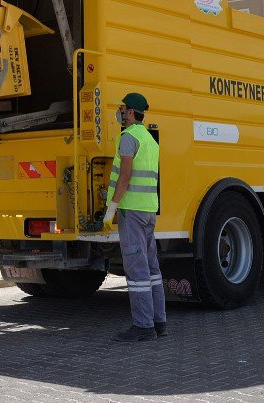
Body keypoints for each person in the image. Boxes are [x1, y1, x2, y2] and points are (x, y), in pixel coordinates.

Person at [103, 92, 167, 342]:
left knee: (136, 267)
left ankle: (143, 327)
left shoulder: (128, 138)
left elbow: (125, 176)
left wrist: (111, 208)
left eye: (123, 108)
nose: (120, 112)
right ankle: (159, 322)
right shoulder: (150, 140)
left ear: (131, 113)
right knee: (152, 268)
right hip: (149, 210)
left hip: (132, 211)